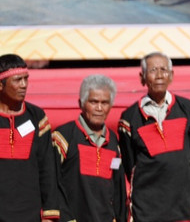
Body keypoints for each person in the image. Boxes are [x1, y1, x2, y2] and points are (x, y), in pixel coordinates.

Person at [119, 52, 190, 222]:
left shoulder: (188, 109)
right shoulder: (130, 117)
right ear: (142, 77)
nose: (159, 75)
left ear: (171, 76)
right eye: (153, 70)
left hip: (183, 205)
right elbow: (129, 163)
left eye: (164, 69)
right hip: (147, 208)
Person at [0, 53, 66, 222]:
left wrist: (50, 212)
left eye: (26, 79)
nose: (24, 85)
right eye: (17, 80)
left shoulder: (37, 117)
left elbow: (48, 168)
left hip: (30, 214)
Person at [52, 73, 126, 222]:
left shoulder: (113, 143)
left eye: (105, 103)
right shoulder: (63, 137)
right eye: (93, 102)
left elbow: (118, 187)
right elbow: (51, 183)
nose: (99, 108)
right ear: (81, 103)